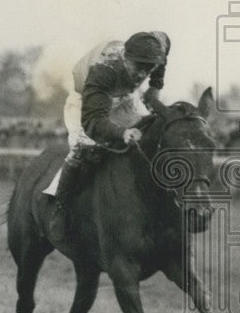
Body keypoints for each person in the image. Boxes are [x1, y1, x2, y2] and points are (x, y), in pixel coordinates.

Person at [48, 30, 170, 239]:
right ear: (125, 57)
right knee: (83, 147)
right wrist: (122, 132)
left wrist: (155, 89)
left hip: (123, 94)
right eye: (139, 66)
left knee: (149, 134)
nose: (143, 74)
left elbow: (161, 61)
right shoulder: (103, 69)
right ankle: (60, 208)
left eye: (148, 68)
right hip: (86, 101)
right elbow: (93, 121)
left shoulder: (159, 48)